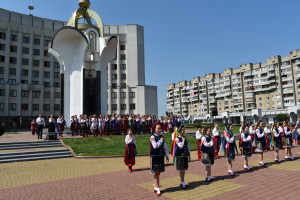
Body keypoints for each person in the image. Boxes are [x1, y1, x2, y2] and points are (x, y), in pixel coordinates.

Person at [150, 123, 169, 196]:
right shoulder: (152, 137)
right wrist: (160, 140)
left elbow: (165, 146)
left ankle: (156, 185)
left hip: (161, 156)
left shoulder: (162, 136)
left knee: (159, 171)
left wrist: (167, 155)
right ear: (154, 129)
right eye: (158, 128)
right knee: (156, 171)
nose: (159, 129)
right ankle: (157, 187)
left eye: (160, 128)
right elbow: (155, 146)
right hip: (155, 156)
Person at [174, 125, 190, 189]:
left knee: (184, 169)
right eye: (182, 130)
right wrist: (183, 141)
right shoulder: (177, 138)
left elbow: (187, 146)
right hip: (180, 155)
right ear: (179, 131)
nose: (183, 131)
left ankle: (183, 182)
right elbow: (180, 146)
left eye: (184, 130)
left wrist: (189, 154)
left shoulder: (185, 138)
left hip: (185, 155)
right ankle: (182, 181)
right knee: (181, 169)